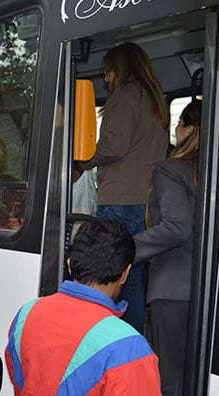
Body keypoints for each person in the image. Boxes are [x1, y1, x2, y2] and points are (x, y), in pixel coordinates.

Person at [6, 219, 166, 396]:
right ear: (125, 274)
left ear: (70, 265)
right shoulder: (128, 348)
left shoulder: (27, 315)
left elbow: (24, 391)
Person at [79, 41, 170, 334]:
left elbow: (112, 146)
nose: (106, 78)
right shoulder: (155, 100)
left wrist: (81, 160)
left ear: (121, 69)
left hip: (118, 198)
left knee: (107, 273)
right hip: (144, 201)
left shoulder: (124, 95)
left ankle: (110, 336)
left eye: (108, 72)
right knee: (133, 275)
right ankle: (132, 338)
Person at [134, 99, 201, 396]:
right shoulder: (217, 171)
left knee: (170, 387)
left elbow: (176, 227)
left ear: (189, 130)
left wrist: (130, 250)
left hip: (171, 292)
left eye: (178, 125)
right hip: (206, 291)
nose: (174, 132)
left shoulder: (169, 169)